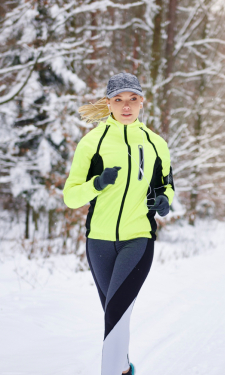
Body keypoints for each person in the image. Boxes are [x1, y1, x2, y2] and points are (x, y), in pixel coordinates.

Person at [63, 73, 175, 375]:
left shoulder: (156, 144)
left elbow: (166, 186)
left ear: (142, 102)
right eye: (119, 100)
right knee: (114, 315)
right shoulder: (93, 142)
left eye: (133, 99)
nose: (126, 106)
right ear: (109, 104)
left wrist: (164, 200)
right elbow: (71, 196)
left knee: (116, 311)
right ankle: (123, 367)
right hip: (98, 241)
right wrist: (96, 184)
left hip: (138, 239)